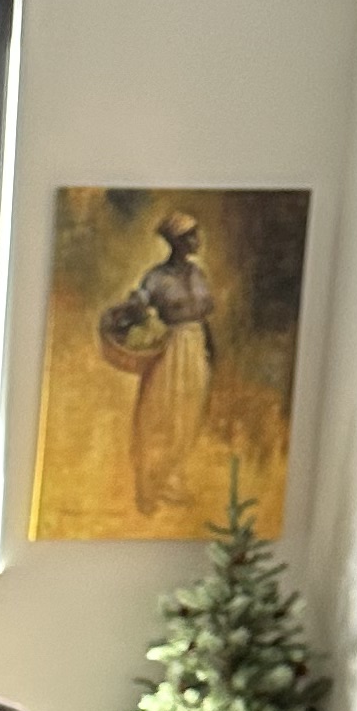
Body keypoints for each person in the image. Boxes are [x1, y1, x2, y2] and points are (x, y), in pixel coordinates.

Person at [99, 202, 215, 516]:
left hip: (196, 348)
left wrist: (209, 351)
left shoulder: (197, 275)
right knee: (160, 415)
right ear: (176, 242)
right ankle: (147, 485)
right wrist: (127, 314)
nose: (196, 241)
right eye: (190, 236)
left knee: (188, 417)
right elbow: (138, 306)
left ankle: (170, 480)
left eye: (196, 235)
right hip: (170, 349)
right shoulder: (156, 277)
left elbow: (203, 319)